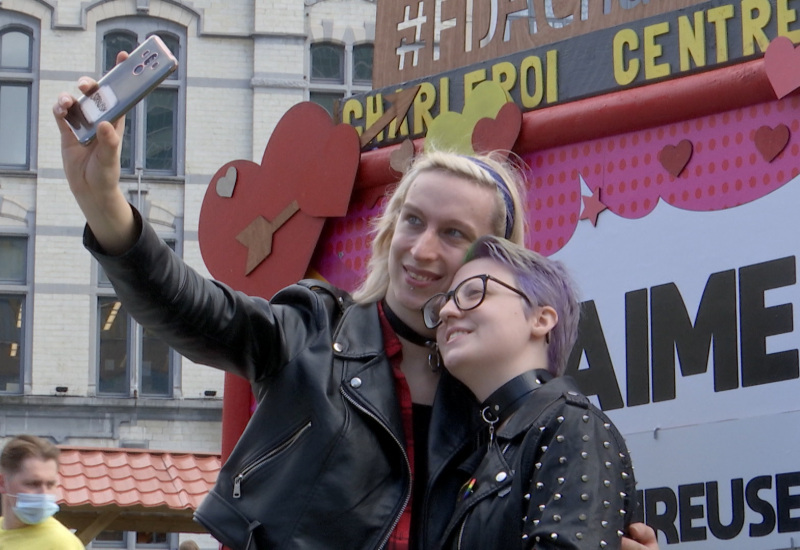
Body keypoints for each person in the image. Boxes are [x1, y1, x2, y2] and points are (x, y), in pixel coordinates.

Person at [53, 61, 658, 550]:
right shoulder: (313, 329)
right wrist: (104, 203)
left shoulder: (501, 406)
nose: (421, 249)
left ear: (492, 262)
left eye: (453, 234)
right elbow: (195, 310)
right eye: (412, 221)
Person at [422, 236, 638, 548]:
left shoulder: (572, 424)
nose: (447, 312)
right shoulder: (483, 450)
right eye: (446, 301)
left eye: (474, 292)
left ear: (541, 319)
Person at [0, 435, 85, 549]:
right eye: (33, 484)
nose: (44, 494)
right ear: (3, 483)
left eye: (50, 484)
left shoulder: (62, 544)